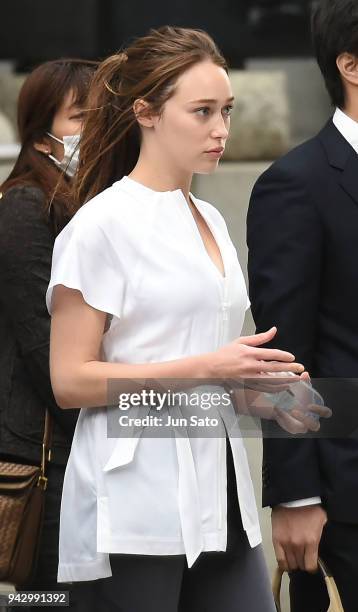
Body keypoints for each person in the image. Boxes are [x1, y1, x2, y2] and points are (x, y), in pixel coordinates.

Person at [46, 27, 324, 612]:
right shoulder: (100, 227)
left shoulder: (211, 219)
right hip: (134, 499)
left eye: (227, 110)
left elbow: (203, 370)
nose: (221, 129)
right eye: (202, 112)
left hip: (220, 484)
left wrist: (257, 392)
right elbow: (70, 382)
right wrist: (209, 366)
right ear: (146, 112)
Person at [247, 1, 358, 610]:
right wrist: (295, 496)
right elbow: (282, 352)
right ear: (350, 64)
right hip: (347, 497)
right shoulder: (298, 183)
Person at [0, 58, 95, 607]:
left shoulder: (88, 204)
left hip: (77, 442)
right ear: (42, 133)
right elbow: (42, 344)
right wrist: (101, 426)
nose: (95, 131)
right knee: (46, 598)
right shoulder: (25, 205)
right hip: (46, 456)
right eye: (81, 117)